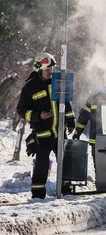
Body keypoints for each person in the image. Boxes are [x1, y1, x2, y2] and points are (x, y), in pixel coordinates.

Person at [17, 53, 75, 199]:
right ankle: (38, 195)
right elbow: (22, 110)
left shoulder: (57, 82)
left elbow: (66, 102)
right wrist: (38, 116)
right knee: (41, 165)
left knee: (65, 161)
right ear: (39, 69)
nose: (51, 72)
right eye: (47, 69)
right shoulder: (30, 87)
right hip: (42, 134)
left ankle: (66, 191)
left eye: (52, 69)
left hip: (59, 132)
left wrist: (70, 121)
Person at [73, 74, 106, 169]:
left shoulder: (95, 98)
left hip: (101, 140)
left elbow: (83, 117)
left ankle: (101, 182)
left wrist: (78, 132)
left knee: (100, 168)